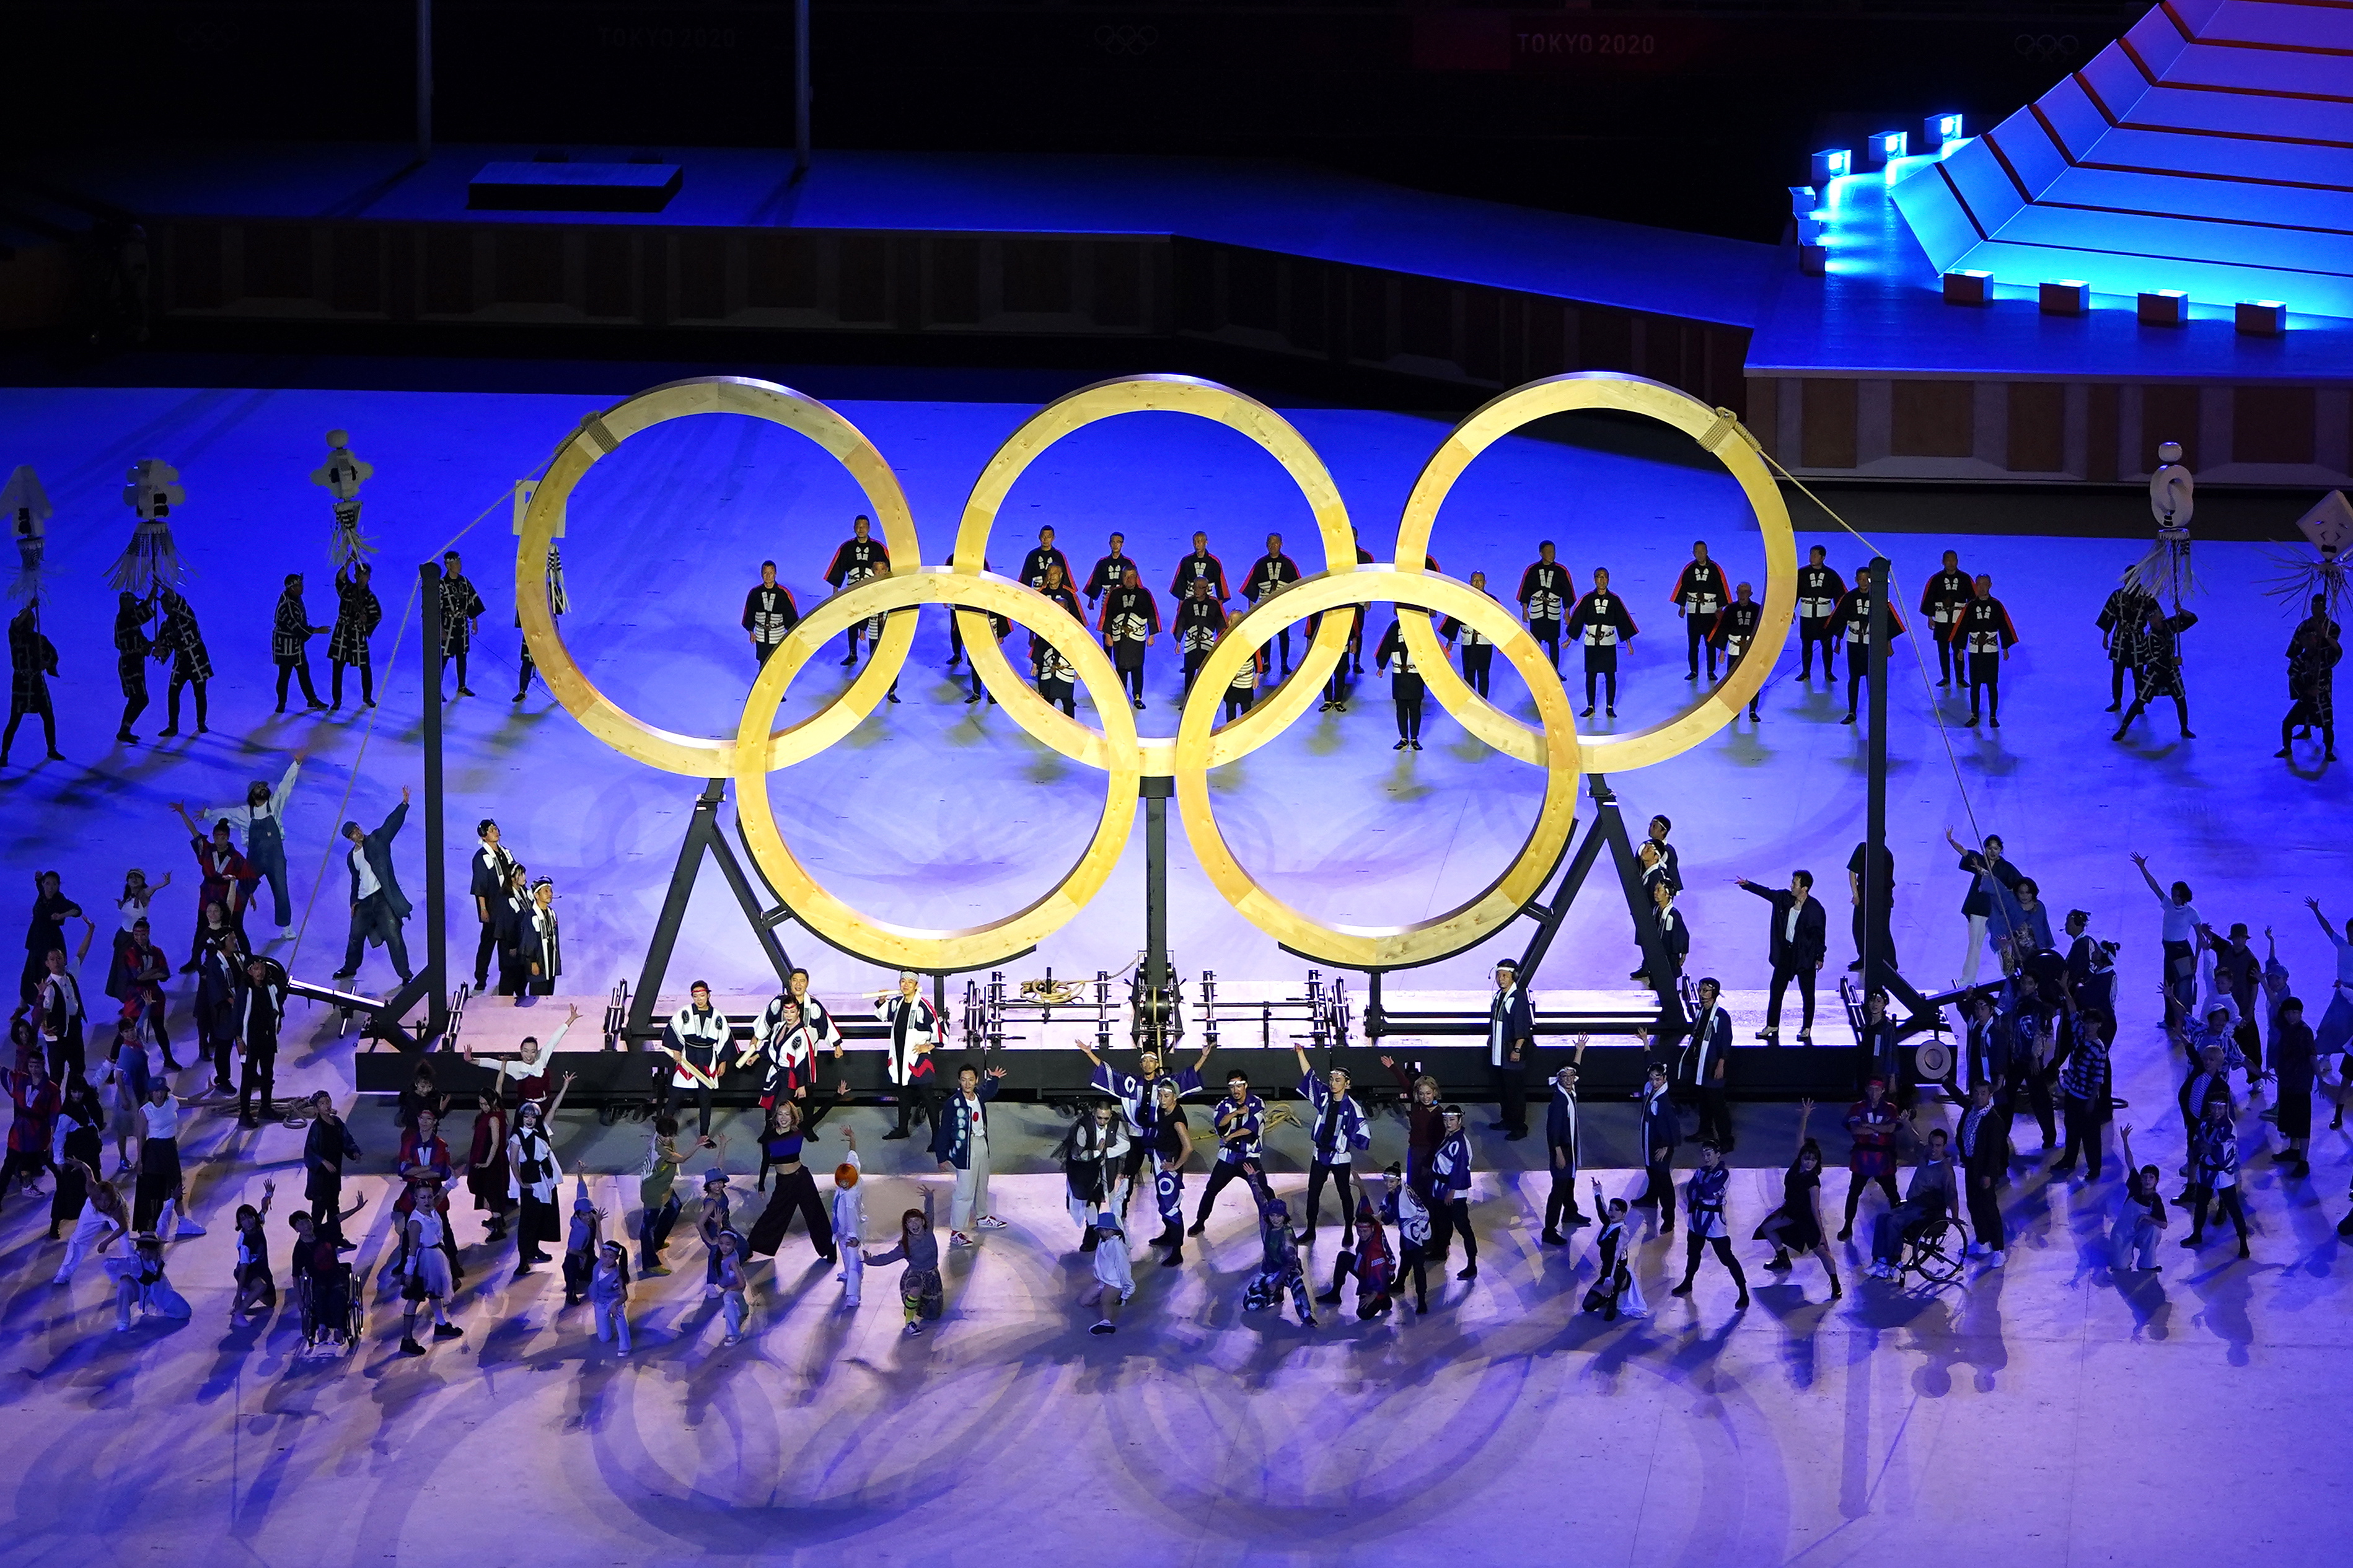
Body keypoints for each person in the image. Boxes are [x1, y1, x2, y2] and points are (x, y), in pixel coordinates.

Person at [199, 758, 302, 931]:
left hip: (276, 858)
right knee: (242, 891)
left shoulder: (275, 805)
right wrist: (208, 814)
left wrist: (296, 765)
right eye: (259, 788)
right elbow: (227, 814)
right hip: (254, 859)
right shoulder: (245, 813)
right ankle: (232, 924)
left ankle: (286, 926)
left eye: (264, 787)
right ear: (252, 795)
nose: (263, 789)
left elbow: (286, 786)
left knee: (281, 892)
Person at [747, 1085, 844, 1264]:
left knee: (816, 1215)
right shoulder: (769, 1136)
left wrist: (836, 1095)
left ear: (793, 1117)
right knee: (772, 1215)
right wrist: (761, 1185)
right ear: (775, 1116)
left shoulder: (799, 1130)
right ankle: (749, 1249)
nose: (784, 1118)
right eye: (780, 1114)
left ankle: (830, 1250)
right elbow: (765, 1161)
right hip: (783, 1182)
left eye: (787, 1114)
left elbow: (820, 1114)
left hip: (801, 1179)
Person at [1754, 1100, 1841, 1298]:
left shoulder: (1813, 1183)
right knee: (1767, 1227)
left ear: (1817, 1162)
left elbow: (1815, 1210)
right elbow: (1800, 1137)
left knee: (1822, 1253)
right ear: (1802, 1157)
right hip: (1790, 1212)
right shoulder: (1796, 1165)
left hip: (1806, 1220)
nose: (1809, 1162)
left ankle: (1835, 1283)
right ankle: (1783, 1258)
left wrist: (1823, 1236)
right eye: (1807, 1158)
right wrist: (1805, 1117)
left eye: (1813, 1160)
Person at [333, 787, 415, 987]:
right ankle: (349, 968)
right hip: (364, 902)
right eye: (353, 834)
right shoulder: (352, 857)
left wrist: (403, 805)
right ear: (349, 838)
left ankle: (405, 974)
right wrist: (354, 901)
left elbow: (390, 825)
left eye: (357, 829)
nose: (357, 834)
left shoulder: (377, 840)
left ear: (360, 828)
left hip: (382, 898)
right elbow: (356, 880)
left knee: (394, 935)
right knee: (355, 937)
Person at [1290, 1044, 1370, 1241]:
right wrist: (1301, 1053)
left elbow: (1363, 1136)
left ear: (1347, 1084)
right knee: (1313, 1193)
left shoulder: (1353, 1108)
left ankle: (1348, 1231)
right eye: (1332, 1080)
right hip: (1320, 1154)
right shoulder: (1325, 1097)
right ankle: (1310, 1230)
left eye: (1338, 1080)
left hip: (1340, 1158)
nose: (1333, 1084)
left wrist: (1347, 1138)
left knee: (1345, 1194)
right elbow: (1310, 1077)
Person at [1735, 870, 1826, 1043]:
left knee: (1807, 993)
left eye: (1795, 883)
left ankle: (1806, 1027)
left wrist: (1819, 956)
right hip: (1786, 952)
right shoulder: (1785, 899)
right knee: (1776, 989)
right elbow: (1768, 893)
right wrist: (1748, 885)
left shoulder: (1815, 909)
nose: (1791, 886)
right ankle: (1772, 1024)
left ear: (1804, 888)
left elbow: (1820, 935)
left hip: (1805, 955)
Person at [1865, 1126, 1956, 1280]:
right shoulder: (1925, 1156)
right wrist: (1907, 1123)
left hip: (1927, 1211)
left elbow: (1952, 1195)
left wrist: (1955, 1217)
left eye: (1938, 1146)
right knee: (1882, 1218)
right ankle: (1880, 1260)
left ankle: (1894, 1262)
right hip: (1911, 1205)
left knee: (1894, 1222)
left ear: (1944, 1147)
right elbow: (1916, 1140)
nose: (1934, 1149)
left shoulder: (1946, 1171)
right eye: (1932, 1144)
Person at [170, 807, 259, 965]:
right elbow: (194, 832)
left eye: (223, 838)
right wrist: (183, 813)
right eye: (217, 838)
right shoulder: (207, 849)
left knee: (236, 926)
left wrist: (251, 895)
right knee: (202, 926)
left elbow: (246, 877)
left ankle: (249, 957)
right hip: (208, 894)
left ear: (228, 837)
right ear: (213, 837)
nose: (219, 841)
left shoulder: (237, 858)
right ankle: (195, 960)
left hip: (228, 895)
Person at [931, 1061, 1007, 1246]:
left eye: (971, 1080)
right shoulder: (954, 1103)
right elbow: (944, 1130)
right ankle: (956, 1231)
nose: (967, 1084)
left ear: (976, 1080)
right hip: (965, 1150)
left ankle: (982, 1217)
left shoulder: (979, 1095)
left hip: (981, 1144)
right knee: (964, 1191)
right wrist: (941, 1156)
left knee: (982, 1184)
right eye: (964, 1080)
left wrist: (994, 1079)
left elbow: (989, 1091)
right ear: (959, 1081)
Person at [1669, 1141, 1749, 1307]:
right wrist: (1700, 1191)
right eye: (1704, 1155)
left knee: (1726, 1258)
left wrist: (1700, 1191)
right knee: (1693, 1254)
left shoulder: (1723, 1174)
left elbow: (1707, 1190)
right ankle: (1687, 1282)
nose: (1706, 1158)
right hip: (1697, 1218)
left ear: (1717, 1154)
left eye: (1709, 1154)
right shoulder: (1700, 1172)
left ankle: (1743, 1291)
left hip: (1714, 1222)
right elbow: (1690, 1190)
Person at [1188, 1069, 1267, 1236]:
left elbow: (1251, 1128)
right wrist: (1236, 1113)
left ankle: (1275, 1220)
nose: (1236, 1090)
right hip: (1228, 1158)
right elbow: (1220, 1125)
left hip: (1249, 1159)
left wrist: (1231, 1135)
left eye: (1239, 1085)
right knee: (1211, 1189)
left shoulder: (1257, 1103)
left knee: (1264, 1190)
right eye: (1232, 1087)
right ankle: (1200, 1222)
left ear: (1246, 1085)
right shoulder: (1224, 1105)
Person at [2111, 600, 2197, 741]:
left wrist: (2180, 610)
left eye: (2155, 614)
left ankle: (2184, 728)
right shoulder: (2150, 639)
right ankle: (2123, 728)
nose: (2153, 619)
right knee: (2140, 700)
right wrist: (2173, 661)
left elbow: (2192, 619)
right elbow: (2156, 661)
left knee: (2181, 699)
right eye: (2150, 617)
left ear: (2161, 614)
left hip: (2171, 673)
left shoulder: (2169, 625)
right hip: (2155, 674)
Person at [1830, 565, 1906, 725]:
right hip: (1854, 641)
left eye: (1867, 579)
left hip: (1872, 642)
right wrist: (1838, 642)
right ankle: (1852, 711)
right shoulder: (1849, 598)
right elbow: (1840, 620)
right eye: (1861, 579)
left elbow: (1888, 623)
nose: (1864, 582)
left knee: (1873, 677)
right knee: (1854, 677)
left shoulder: (1879, 598)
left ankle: (1875, 712)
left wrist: (1888, 645)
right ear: (1856, 580)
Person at [398, 1175, 465, 1354]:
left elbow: (442, 1193)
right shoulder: (415, 1222)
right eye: (423, 1197)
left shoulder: (432, 1207)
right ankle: (407, 1340)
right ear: (415, 1198)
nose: (427, 1200)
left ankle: (442, 1324)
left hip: (436, 1257)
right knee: (414, 1299)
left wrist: (453, 1178)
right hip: (424, 1262)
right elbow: (412, 1251)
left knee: (435, 1293)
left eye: (429, 1196)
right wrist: (409, 1273)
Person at [863, 1186, 941, 1335]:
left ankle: (915, 1307)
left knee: (933, 1315)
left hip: (932, 1275)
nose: (914, 1225)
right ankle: (909, 1323)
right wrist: (870, 1260)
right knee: (915, 1290)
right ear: (906, 1226)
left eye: (916, 1220)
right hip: (915, 1275)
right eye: (910, 1222)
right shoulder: (905, 1245)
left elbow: (930, 1212)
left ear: (922, 1222)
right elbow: (888, 1258)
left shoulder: (928, 1228)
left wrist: (929, 1197)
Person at [874, 971, 944, 1139]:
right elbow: (884, 1015)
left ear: (916, 986)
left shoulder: (923, 1006)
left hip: (918, 1060)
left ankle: (937, 1137)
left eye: (910, 983)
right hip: (900, 1058)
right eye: (903, 982)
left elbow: (939, 1028)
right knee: (903, 1095)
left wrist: (929, 1046)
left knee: (928, 1098)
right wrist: (882, 1001)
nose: (905, 985)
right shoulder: (897, 1003)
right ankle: (902, 1129)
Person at [508, 1094, 570, 1279]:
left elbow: (553, 1110)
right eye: (526, 1116)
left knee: (542, 1216)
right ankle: (523, 1259)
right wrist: (521, 1183)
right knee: (527, 1221)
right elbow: (513, 1162)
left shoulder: (542, 1129)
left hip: (545, 1178)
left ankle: (534, 1249)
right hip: (531, 1180)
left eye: (532, 1116)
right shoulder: (517, 1137)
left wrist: (565, 1087)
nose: (529, 1120)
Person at [2132, 852, 2202, 1015]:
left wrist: (2196, 958)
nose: (2172, 897)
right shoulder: (2168, 905)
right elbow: (2154, 886)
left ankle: (2185, 1019)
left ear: (2183, 896)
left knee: (2183, 986)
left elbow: (2199, 937)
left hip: (2183, 951)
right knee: (2168, 984)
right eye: (2172, 893)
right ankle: (2169, 1018)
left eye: (2176, 895)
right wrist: (2143, 868)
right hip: (2169, 950)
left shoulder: (2191, 913)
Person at [2049, 1004, 2113, 1181]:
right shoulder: (2079, 1036)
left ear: (2099, 1025)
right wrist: (2065, 990)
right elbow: (2073, 1013)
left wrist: (2092, 1101)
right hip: (2072, 1094)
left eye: (2093, 1024)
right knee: (2071, 1129)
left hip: (2086, 1098)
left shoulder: (2099, 1049)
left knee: (2090, 1135)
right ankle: (2069, 1160)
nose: (2089, 1026)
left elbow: (2098, 1077)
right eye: (2087, 1023)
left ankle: (2094, 1168)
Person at [2181, 1095, 2250, 1259]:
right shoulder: (2204, 1122)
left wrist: (2208, 1148)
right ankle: (2197, 1234)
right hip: (2205, 1171)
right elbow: (2197, 1144)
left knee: (2234, 1208)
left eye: (2220, 1108)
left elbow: (2221, 1154)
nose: (2216, 1111)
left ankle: (2243, 1243)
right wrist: (2206, 1148)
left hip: (2222, 1173)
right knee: (2200, 1205)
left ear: (2226, 1108)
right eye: (2214, 1107)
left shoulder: (2229, 1127)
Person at [1242, 1177, 1317, 1326]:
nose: (1276, 1219)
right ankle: (1276, 1294)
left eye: (1279, 1216)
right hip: (1268, 1271)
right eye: (1273, 1215)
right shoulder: (1266, 1225)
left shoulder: (1287, 1235)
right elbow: (1260, 1199)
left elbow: (1290, 1263)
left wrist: (1276, 1282)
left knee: (1297, 1285)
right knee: (1250, 1305)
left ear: (1284, 1216)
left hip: (1287, 1270)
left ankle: (1306, 1315)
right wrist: (1253, 1179)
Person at [660, 981, 731, 1139]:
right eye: (696, 996)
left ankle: (704, 1136)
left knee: (705, 1100)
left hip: (707, 1059)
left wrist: (723, 1061)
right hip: (688, 1056)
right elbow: (673, 1029)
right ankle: (663, 1131)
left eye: (702, 996)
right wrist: (676, 1050)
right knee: (675, 1096)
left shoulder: (717, 1016)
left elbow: (724, 1038)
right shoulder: (684, 1012)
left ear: (708, 995)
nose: (699, 999)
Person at [1565, 567, 1638, 718]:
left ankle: (1610, 707)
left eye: (1604, 577)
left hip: (1608, 642)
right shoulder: (1586, 599)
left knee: (1610, 676)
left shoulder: (1615, 600)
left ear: (1608, 580)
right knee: (1590, 675)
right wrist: (1569, 640)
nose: (1602, 580)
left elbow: (1623, 621)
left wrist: (1629, 644)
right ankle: (1590, 706)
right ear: (1594, 580)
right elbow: (1577, 620)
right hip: (1591, 642)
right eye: (1599, 577)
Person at [1950, 574, 2020, 728]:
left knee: (1992, 684)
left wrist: (2005, 647)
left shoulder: (1996, 606)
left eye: (1985, 585)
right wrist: (1960, 648)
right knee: (1975, 685)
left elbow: (2004, 625)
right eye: (1979, 585)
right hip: (1974, 650)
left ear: (1990, 585)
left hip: (1991, 649)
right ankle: (1974, 715)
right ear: (1976, 585)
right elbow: (1961, 627)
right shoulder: (1970, 607)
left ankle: (1993, 716)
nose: (1982, 588)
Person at [822, 515, 891, 669]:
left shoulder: (879, 548)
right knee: (851, 619)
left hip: (873, 589)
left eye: (864, 526)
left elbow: (889, 568)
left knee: (875, 620)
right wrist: (836, 593)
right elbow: (838, 569)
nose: (861, 529)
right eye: (858, 526)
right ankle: (853, 652)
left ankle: (877, 653)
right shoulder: (846, 548)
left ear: (869, 528)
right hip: (852, 588)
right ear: (854, 528)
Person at [51, 1150, 130, 1284]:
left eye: (106, 1201)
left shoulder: (117, 1208)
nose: (104, 1204)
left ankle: (132, 1270)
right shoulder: (91, 1189)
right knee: (78, 1239)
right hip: (92, 1211)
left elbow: (123, 1228)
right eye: (100, 1200)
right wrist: (80, 1164)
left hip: (113, 1215)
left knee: (126, 1241)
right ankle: (64, 1272)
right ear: (94, 1198)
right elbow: (87, 1170)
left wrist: (106, 1242)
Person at [2278, 594, 2340, 761]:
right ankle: (2305, 731)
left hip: (2323, 668)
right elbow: (2296, 647)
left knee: (2325, 713)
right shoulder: (2305, 626)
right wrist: (2299, 668)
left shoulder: (2331, 627)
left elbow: (2335, 650)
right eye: (2313, 606)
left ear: (2324, 608)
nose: (2314, 609)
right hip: (2307, 668)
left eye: (2318, 606)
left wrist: (2323, 637)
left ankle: (2328, 750)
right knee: (2304, 703)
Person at [1540, 1042, 1591, 1243]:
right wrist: (1558, 1153)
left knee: (1569, 1183)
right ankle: (1549, 1230)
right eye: (1565, 1076)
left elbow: (1575, 1068)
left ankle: (1570, 1212)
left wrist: (1579, 1051)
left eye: (1572, 1076)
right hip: (1562, 1151)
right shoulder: (1559, 1102)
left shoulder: (1569, 1091)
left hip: (1570, 1149)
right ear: (1558, 1079)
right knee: (1559, 1189)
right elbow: (1552, 1131)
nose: (1570, 1079)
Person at [1840, 1077, 1901, 1240]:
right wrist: (1878, 1130)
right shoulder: (1858, 1107)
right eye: (1872, 1089)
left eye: (1878, 1089)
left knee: (1893, 1194)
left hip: (1884, 1160)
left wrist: (1868, 1126)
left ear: (1883, 1091)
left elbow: (1891, 1128)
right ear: (1867, 1090)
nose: (1875, 1092)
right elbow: (1856, 1130)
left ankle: (1901, 1225)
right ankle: (1847, 1226)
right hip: (1863, 1159)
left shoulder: (1890, 1109)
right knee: (1854, 1193)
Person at [1955, 1081, 2007, 1264]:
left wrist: (1988, 1175)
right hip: (1971, 1164)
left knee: (1989, 1208)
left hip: (1984, 1169)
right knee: (1973, 1204)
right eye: (1976, 1093)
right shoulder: (1971, 1109)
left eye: (1983, 1093)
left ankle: (1999, 1249)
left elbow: (1995, 1152)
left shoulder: (1994, 1121)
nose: (1979, 1097)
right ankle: (1982, 1240)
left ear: (1989, 1096)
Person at [2, 602, 61, 765]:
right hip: (21, 682)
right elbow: (16, 623)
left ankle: (51, 749)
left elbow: (53, 655)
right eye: (28, 619)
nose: (31, 622)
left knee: (48, 716)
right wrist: (29, 608)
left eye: (32, 619)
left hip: (37, 682)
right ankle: (5, 752)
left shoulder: (40, 639)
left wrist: (47, 664)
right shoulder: (15, 637)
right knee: (15, 719)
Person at [1678, 978, 1734, 1150]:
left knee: (1717, 1105)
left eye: (1705, 991)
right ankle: (1705, 1131)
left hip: (1712, 1067)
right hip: (1700, 1066)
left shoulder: (1721, 1016)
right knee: (1703, 1101)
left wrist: (1721, 1064)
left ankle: (1726, 1140)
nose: (1702, 994)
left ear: (1714, 993)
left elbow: (1726, 1042)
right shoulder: (1702, 1013)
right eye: (1701, 990)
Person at [301, 1089, 360, 1248]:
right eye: (322, 1103)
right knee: (318, 1212)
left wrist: (354, 1151)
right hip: (320, 1178)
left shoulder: (337, 1123)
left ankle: (336, 1237)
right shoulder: (316, 1127)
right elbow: (309, 1151)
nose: (326, 1106)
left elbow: (346, 1140)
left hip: (334, 1175)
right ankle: (312, 1242)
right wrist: (323, 1162)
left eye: (328, 1102)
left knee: (334, 1208)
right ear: (317, 1108)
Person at [150, 586, 213, 737]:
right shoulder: (166, 626)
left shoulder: (186, 615)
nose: (164, 608)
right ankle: (173, 726)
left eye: (166, 604)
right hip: (181, 662)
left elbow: (177, 598)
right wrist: (161, 652)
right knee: (173, 693)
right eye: (162, 605)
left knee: (200, 693)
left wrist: (162, 584)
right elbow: (166, 647)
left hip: (196, 658)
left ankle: (201, 722)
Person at [1582, 1181, 1649, 1320]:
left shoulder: (1622, 1232)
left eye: (1616, 1210)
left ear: (1624, 1214)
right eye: (1611, 1209)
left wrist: (1609, 1278)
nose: (1612, 1213)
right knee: (1587, 1306)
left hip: (1617, 1273)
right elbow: (1602, 1211)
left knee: (1607, 1310)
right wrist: (1598, 1192)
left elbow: (1616, 1256)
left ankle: (1613, 1300)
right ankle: (1608, 1295)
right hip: (1606, 1272)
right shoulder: (1609, 1224)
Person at [48, 1074, 103, 1240]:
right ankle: (55, 1223)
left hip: (90, 1153)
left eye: (79, 1091)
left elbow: (98, 1080)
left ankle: (98, 1217)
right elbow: (59, 1137)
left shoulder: (89, 1103)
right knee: (66, 1190)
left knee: (94, 1186)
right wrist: (59, 1161)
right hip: (75, 1156)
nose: (77, 1095)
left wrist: (109, 1065)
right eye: (73, 1092)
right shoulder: (67, 1112)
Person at [231, 953, 284, 1128]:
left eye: (262, 968)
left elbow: (277, 1007)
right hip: (251, 1041)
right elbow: (238, 1017)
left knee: (268, 1074)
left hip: (268, 1039)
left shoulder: (270, 987)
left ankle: (266, 1108)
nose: (260, 972)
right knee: (248, 1078)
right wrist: (239, 1040)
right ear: (250, 972)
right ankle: (245, 1114)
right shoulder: (244, 991)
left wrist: (278, 1022)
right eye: (256, 968)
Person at [1484, 958, 1534, 1139]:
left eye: (1505, 975)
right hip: (1498, 1055)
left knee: (1515, 1093)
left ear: (1513, 977)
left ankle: (1519, 1127)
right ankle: (1507, 1120)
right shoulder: (1499, 996)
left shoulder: (1517, 999)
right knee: (1504, 1091)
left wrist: (1518, 1050)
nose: (1501, 979)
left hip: (1510, 1055)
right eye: (1499, 975)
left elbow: (1522, 1028)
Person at [1097, 565, 1161, 710]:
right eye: (1126, 576)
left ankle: (1138, 697)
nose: (1129, 579)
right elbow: (1107, 615)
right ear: (1122, 577)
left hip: (1137, 637)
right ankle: (1122, 696)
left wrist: (1152, 635)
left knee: (1138, 667)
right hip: (1120, 637)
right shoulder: (1114, 594)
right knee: (1121, 666)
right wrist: (1108, 635)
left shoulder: (1145, 594)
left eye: (1132, 576)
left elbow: (1152, 614)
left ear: (1137, 577)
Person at [106, 1229, 193, 1333]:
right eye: (143, 1250)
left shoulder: (159, 1260)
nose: (146, 1253)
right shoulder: (134, 1261)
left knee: (184, 1311)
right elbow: (107, 1264)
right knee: (124, 1286)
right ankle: (123, 1321)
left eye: (150, 1250)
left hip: (158, 1292)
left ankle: (159, 1308)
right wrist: (120, 1277)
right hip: (137, 1290)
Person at [1429, 1104, 1478, 1282]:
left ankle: (1472, 1264)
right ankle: (1441, 1251)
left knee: (1463, 1227)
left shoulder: (1460, 1142)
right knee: (1442, 1223)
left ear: (1459, 1120)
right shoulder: (1450, 1137)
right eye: (1446, 1120)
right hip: (1441, 1189)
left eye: (1452, 1120)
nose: (1448, 1123)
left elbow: (1460, 1169)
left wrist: (1452, 1190)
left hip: (1453, 1193)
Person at [467, 819, 517, 994]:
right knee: (487, 944)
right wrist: (483, 909)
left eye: (496, 828)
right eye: (491, 830)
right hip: (493, 908)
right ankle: (481, 979)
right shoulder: (481, 857)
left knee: (507, 944)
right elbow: (480, 885)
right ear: (484, 835)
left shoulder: (506, 853)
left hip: (508, 908)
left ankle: (508, 978)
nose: (495, 831)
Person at [2108, 1125, 2167, 1272]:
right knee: (2119, 1266)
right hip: (2123, 1233)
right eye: (2145, 1177)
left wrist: (2148, 1218)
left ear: (2156, 1181)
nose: (2147, 1180)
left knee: (2154, 1230)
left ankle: (2148, 1263)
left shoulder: (2156, 1200)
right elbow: (2130, 1162)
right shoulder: (2135, 1185)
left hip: (2140, 1232)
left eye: (2151, 1178)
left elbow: (2164, 1224)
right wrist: (2125, 1139)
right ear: (2140, 1179)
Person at [268, 572, 330, 713]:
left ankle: (311, 699)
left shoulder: (295, 599)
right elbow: (297, 627)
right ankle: (282, 702)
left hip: (296, 645)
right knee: (285, 674)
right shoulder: (288, 605)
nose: (302, 587)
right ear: (292, 588)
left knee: (303, 672)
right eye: (298, 585)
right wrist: (317, 630)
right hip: (286, 645)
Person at [1668, 540, 1727, 682]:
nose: (1700, 554)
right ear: (1693, 553)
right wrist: (1681, 606)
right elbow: (1682, 587)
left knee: (1710, 643)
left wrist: (1720, 608)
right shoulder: (1689, 569)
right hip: (1694, 612)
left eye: (1702, 551)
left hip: (1710, 612)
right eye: (1697, 552)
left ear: (1707, 552)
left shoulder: (1715, 569)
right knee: (1693, 644)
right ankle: (1693, 670)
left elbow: (1722, 588)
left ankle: (1711, 671)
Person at [0, 1054, 58, 1201]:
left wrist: (52, 1136)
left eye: (37, 1066)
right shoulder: (21, 1079)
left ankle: (29, 1185)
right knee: (9, 1163)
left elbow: (54, 1113)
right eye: (31, 1066)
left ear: (43, 1065)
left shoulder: (51, 1088)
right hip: (19, 1130)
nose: (34, 1069)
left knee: (35, 1161)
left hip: (37, 1131)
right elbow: (5, 1073)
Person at [1242, 532, 1302, 673]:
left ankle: (1284, 663)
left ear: (1281, 544)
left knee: (1284, 635)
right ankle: (1266, 662)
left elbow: (1298, 586)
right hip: (1264, 605)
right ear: (1266, 544)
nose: (1273, 546)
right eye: (1270, 543)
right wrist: (1251, 605)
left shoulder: (1289, 564)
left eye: (1276, 543)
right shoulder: (1260, 564)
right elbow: (1252, 585)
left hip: (1283, 606)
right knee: (1265, 635)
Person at [1436, 569, 1500, 698]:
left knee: (1483, 674)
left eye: (1480, 581)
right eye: (1475, 581)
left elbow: (1499, 622)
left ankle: (1484, 702)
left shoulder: (1492, 601)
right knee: (1468, 673)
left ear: (1485, 582)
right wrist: (1450, 640)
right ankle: (1472, 701)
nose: (1477, 584)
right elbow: (1454, 620)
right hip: (1468, 642)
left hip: (1484, 643)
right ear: (1470, 582)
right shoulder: (1463, 600)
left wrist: (1501, 642)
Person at [2271, 994, 2316, 1180]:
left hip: (2301, 1084)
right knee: (2290, 1119)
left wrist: (2320, 1079)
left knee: (2302, 1123)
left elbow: (2312, 1055)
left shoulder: (2305, 1032)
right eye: (2289, 1013)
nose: (2292, 1016)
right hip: (2288, 1083)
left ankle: (2303, 1162)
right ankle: (2293, 1150)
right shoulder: (2286, 1027)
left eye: (2295, 1013)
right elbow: (2275, 1005)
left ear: (2301, 1013)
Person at [2096, 579, 2155, 714]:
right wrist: (2105, 636)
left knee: (2139, 674)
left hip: (2137, 640)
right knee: (2117, 673)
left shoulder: (2145, 598)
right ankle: (2117, 701)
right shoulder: (2118, 595)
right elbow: (2109, 615)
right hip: (2120, 639)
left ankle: (2140, 704)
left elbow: (2156, 617)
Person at [327, 559, 380, 709]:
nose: (362, 578)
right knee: (337, 668)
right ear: (355, 576)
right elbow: (339, 578)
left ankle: (367, 696)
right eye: (359, 574)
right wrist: (349, 561)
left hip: (358, 635)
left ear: (369, 577)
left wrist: (365, 623)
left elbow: (377, 616)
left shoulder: (370, 597)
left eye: (365, 575)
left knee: (365, 667)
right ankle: (337, 700)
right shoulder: (348, 590)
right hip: (343, 632)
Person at [434, 549, 487, 699]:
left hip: (462, 625)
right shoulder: (442, 585)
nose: (459, 566)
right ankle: (437, 687)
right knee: (444, 657)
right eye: (456, 563)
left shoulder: (464, 582)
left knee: (462, 656)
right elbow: (437, 608)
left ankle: (462, 686)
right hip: (448, 625)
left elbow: (472, 600)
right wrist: (441, 630)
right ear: (448, 566)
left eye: (459, 562)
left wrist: (474, 620)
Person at [1711, 580, 1767, 720]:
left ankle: (1752, 711)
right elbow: (1723, 629)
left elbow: (1762, 630)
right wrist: (1722, 651)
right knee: (1733, 680)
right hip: (1734, 647)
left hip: (1751, 648)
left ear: (1751, 594)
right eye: (1739, 592)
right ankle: (1734, 710)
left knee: (1753, 680)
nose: (1742, 595)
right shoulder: (1730, 609)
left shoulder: (1757, 609)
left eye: (1745, 592)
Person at [1635, 1058, 1679, 1232]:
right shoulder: (1651, 1090)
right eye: (1652, 1078)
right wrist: (1646, 1044)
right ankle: (1651, 1198)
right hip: (1651, 1140)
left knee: (1663, 1180)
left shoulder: (1663, 1101)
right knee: (1651, 1171)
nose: (1654, 1082)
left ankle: (1669, 1219)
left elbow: (1673, 1126)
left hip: (1662, 1145)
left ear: (1665, 1079)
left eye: (1658, 1079)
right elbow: (1650, 1065)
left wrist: (1666, 1146)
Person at [1515, 542, 1573, 671]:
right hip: (1537, 611)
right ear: (1541, 553)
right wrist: (1525, 610)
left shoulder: (1561, 571)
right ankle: (1536, 672)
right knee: (1536, 643)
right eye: (1549, 552)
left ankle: (1555, 672)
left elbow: (1567, 592)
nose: (1552, 555)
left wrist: (1567, 612)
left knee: (1554, 642)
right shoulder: (1532, 570)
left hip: (1553, 610)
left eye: (1554, 552)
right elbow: (1525, 590)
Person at [1371, 616, 1427, 749]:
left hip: (1415, 675)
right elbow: (1386, 646)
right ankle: (1403, 737)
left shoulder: (1420, 626)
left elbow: (1429, 648)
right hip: (1399, 675)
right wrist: (1381, 667)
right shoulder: (1394, 627)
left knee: (1415, 708)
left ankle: (1414, 738)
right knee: (1401, 708)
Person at [638, 1115, 684, 1274]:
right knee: (647, 1227)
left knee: (675, 1206)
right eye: (664, 1135)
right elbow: (682, 1159)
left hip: (663, 1185)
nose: (668, 1138)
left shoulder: (663, 1138)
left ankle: (657, 1241)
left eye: (670, 1135)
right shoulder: (661, 1148)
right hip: (653, 1189)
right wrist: (698, 1146)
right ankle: (650, 1264)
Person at [1918, 549, 1971, 686]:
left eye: (1953, 560)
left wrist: (1969, 619)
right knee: (1943, 650)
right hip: (1941, 620)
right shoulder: (1936, 579)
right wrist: (1930, 617)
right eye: (1948, 560)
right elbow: (1929, 598)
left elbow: (1973, 599)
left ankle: (1960, 677)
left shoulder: (1965, 579)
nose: (1951, 563)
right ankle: (1946, 677)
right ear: (1943, 562)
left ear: (1957, 561)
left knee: (1959, 649)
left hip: (1959, 620)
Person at [1847, 838, 1898, 980]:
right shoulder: (1863, 849)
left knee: (1883, 931)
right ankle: (1864, 957)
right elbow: (1852, 872)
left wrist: (1887, 899)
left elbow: (1887, 882)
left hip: (1882, 896)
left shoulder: (1887, 855)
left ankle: (1891, 964)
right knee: (1858, 928)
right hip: (1864, 894)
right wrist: (1856, 894)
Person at [1794, 545, 1845, 682]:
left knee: (1826, 644)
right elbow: (1794, 593)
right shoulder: (1802, 573)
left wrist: (1839, 615)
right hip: (1807, 613)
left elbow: (1840, 597)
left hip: (1825, 614)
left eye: (1816, 555)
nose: (1812, 557)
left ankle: (1828, 672)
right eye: (1811, 554)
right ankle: (1806, 672)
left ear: (1823, 557)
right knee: (1807, 643)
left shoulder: (1831, 575)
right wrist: (1790, 609)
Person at [1081, 1210, 1135, 1334]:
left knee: (1105, 1302)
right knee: (1085, 1302)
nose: (1104, 1233)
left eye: (1107, 1230)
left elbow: (1124, 1268)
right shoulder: (1102, 1241)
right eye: (1102, 1230)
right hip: (1103, 1280)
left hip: (1115, 1282)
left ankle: (1106, 1322)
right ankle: (1112, 1297)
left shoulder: (1117, 1246)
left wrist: (1128, 1290)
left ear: (1114, 1230)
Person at [1174, 576, 1228, 699]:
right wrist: (1178, 641)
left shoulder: (1214, 604)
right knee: (1189, 672)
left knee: (1207, 673)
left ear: (1206, 589)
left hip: (1207, 642)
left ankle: (1207, 700)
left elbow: (1221, 623)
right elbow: (1181, 622)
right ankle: (1188, 699)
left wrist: (1222, 640)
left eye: (1200, 588)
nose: (1196, 590)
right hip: (1191, 642)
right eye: (1194, 587)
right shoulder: (1187, 604)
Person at [112, 591, 155, 742]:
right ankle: (125, 729)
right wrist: (151, 597)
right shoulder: (125, 619)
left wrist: (149, 645)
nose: (135, 606)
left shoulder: (127, 620)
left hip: (133, 663)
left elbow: (139, 640)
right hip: (131, 664)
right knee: (141, 699)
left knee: (135, 698)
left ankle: (125, 729)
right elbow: (141, 616)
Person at [232, 1181, 278, 1319]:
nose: (248, 1221)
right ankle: (239, 1314)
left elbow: (264, 1208)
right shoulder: (244, 1243)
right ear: (240, 1223)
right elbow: (244, 1268)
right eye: (243, 1219)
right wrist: (238, 1294)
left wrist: (269, 1195)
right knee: (261, 1287)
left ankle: (251, 1291)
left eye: (250, 1217)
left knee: (271, 1303)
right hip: (247, 1272)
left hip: (263, 1270)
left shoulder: (258, 1225)